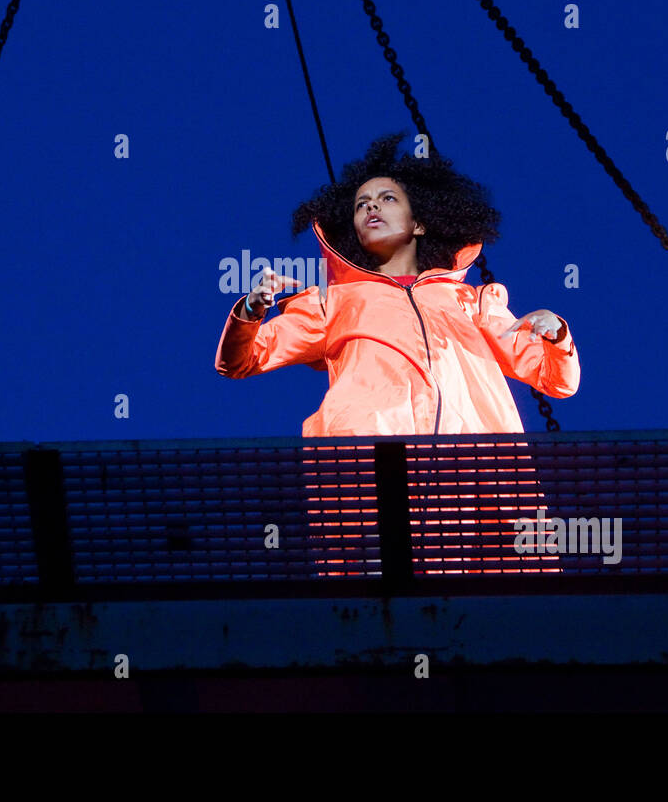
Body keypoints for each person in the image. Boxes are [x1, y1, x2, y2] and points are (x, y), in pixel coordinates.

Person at [213, 132, 580, 575]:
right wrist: (250, 311)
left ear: (420, 222)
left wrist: (558, 337)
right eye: (361, 204)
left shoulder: (471, 302)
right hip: (369, 475)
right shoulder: (334, 303)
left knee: (487, 613)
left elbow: (556, 381)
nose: (371, 207)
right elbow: (240, 361)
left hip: (475, 476)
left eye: (387, 198)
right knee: (374, 605)